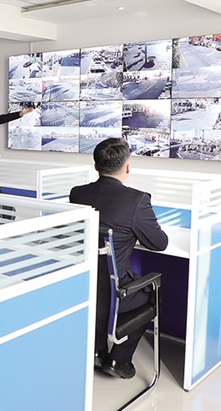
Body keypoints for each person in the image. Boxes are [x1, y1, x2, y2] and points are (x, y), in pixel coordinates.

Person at [69, 137, 168, 379]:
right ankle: (118, 360)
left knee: (102, 286)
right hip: (116, 298)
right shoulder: (136, 200)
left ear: (96, 166)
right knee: (153, 295)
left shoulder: (77, 194)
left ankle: (97, 350)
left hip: (81, 290)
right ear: (127, 168)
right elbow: (159, 243)